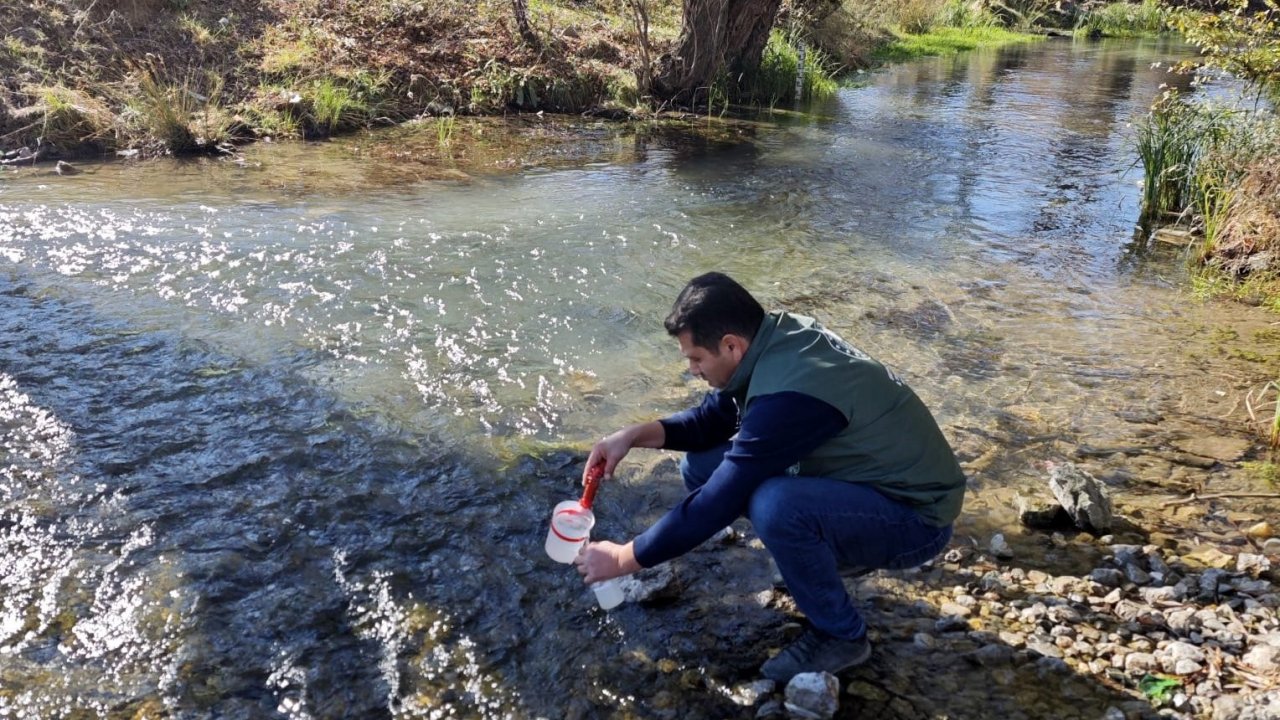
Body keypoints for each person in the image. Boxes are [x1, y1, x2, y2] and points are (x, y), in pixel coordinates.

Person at [572, 272, 966, 683]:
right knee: (700, 466)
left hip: (917, 520)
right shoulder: (771, 339)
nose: (691, 370)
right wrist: (633, 435)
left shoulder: (790, 396)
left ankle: (841, 635)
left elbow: (717, 502)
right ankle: (826, 556)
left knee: (776, 506)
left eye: (695, 359)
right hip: (871, 485)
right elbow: (712, 421)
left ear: (730, 345)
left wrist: (623, 558)